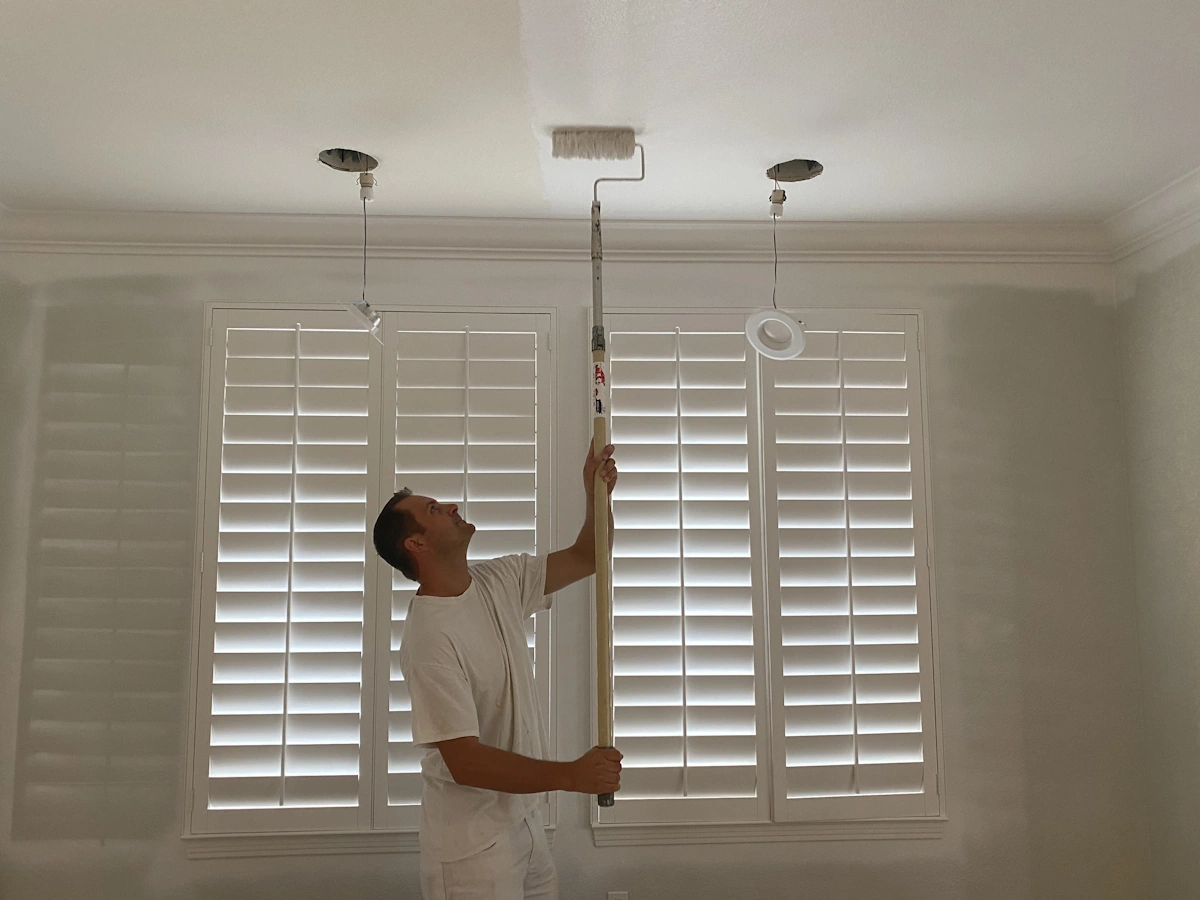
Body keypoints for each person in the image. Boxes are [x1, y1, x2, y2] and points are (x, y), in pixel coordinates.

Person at [372, 443, 622, 900]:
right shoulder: (429, 638)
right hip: (471, 855)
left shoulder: (498, 581)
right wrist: (572, 776)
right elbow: (464, 762)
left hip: (524, 828)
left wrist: (595, 493)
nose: (451, 506)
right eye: (433, 509)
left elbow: (588, 556)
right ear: (417, 544)